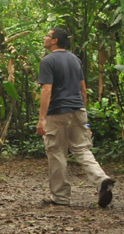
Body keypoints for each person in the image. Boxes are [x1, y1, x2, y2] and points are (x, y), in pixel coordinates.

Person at [37, 27, 115, 208]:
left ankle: (61, 198)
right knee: (82, 149)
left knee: (56, 152)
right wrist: (85, 121)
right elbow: (83, 89)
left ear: (55, 40)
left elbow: (46, 90)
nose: (45, 38)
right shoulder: (75, 59)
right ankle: (102, 179)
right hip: (79, 110)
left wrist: (42, 119)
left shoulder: (48, 61)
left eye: (47, 35)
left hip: (57, 112)